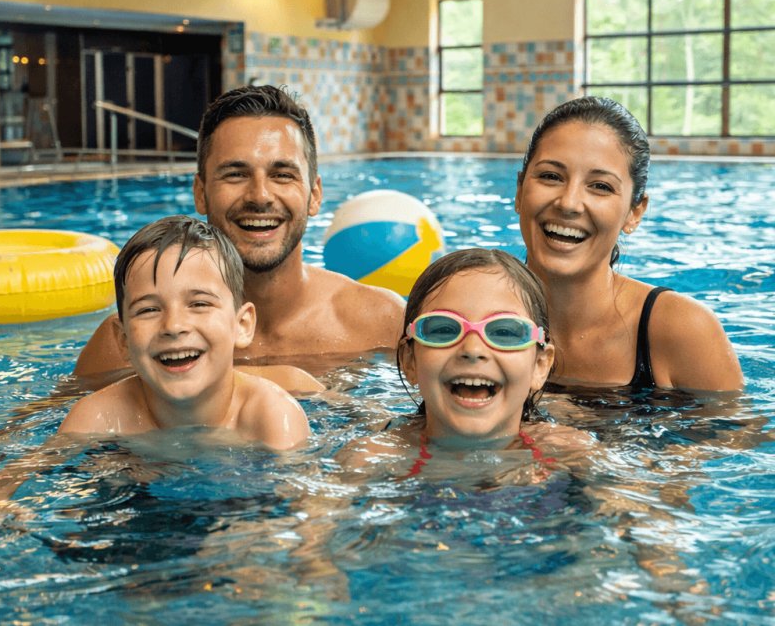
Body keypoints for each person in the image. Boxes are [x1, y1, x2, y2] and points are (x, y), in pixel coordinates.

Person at [73, 85, 405, 384]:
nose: (260, 196)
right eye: (235, 174)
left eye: (282, 174)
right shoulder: (131, 342)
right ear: (201, 193)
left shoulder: (380, 323)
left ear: (314, 194)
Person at [514, 96, 744, 391]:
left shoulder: (681, 329)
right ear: (520, 191)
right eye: (550, 176)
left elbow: (737, 436)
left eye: (600, 186)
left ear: (635, 212)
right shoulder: (473, 315)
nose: (569, 203)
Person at [59, 215, 309, 447]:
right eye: (148, 310)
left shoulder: (270, 416)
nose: (174, 326)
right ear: (123, 340)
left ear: (242, 325)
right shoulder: (98, 418)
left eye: (199, 304)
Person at [342, 249, 590, 476]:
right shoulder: (371, 459)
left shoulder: (573, 453)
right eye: (443, 329)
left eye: (504, 332)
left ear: (540, 366)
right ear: (410, 361)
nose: (472, 349)